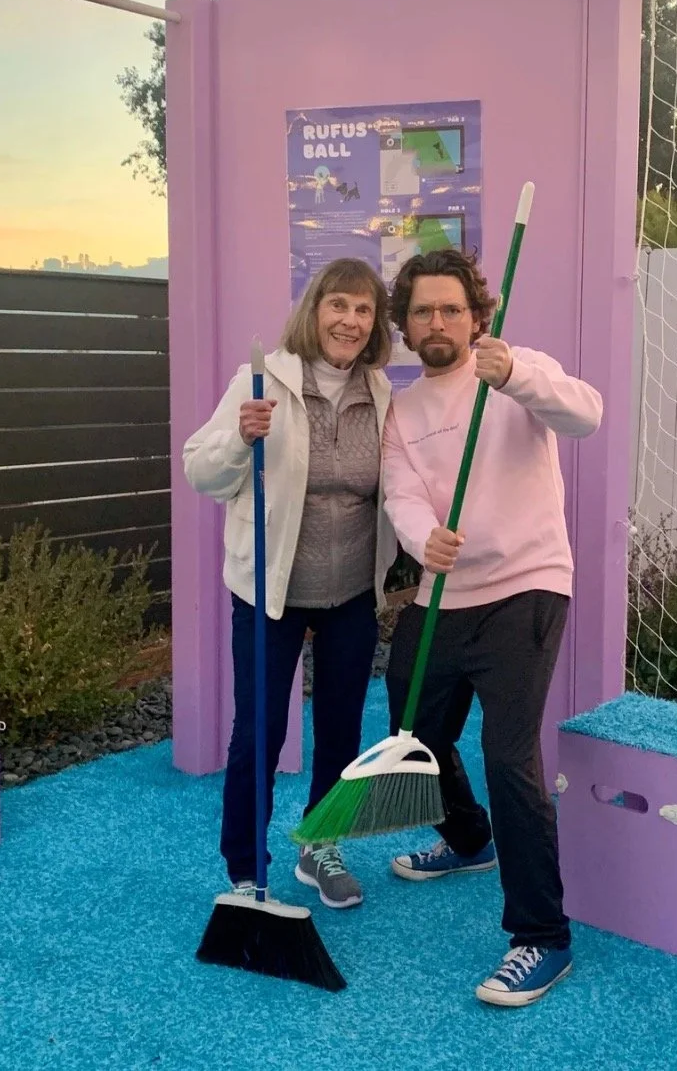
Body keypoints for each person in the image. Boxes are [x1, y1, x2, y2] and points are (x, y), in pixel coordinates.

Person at [380, 247, 602, 1006]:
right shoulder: (403, 409)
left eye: (451, 309)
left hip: (526, 586)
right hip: (444, 590)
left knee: (508, 756)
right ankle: (469, 838)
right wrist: (422, 539)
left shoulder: (514, 367)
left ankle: (543, 936)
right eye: (422, 311)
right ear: (406, 325)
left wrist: (514, 378)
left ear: (477, 315)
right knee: (412, 732)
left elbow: (586, 413)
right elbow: (402, 494)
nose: (437, 322)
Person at [183, 258, 397, 910]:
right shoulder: (262, 381)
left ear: (375, 323)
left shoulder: (380, 393)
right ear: (315, 310)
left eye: (363, 310)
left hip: (351, 594)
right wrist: (238, 438)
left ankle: (319, 846)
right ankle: (246, 869)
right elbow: (201, 472)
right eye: (339, 305)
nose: (350, 321)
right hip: (268, 590)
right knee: (259, 732)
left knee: (340, 729)